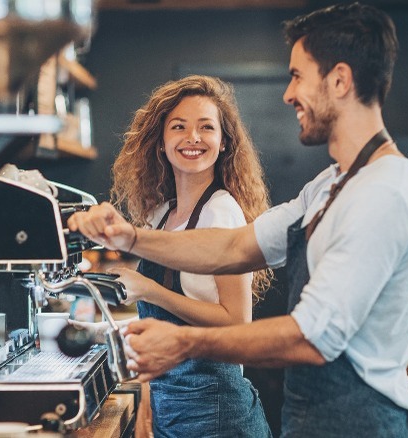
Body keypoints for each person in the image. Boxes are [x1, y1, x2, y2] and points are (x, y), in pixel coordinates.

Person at [68, 3, 408, 437]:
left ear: (339, 80)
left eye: (298, 76)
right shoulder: (329, 186)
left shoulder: (384, 191)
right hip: (313, 417)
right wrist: (129, 236)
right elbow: (233, 246)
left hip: (364, 423)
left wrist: (184, 342)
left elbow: (310, 338)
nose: (288, 94)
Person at [74, 75, 273, 437]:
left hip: (216, 412)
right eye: (178, 127)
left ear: (224, 142)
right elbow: (160, 326)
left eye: (206, 128)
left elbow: (236, 322)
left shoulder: (221, 211)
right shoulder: (162, 214)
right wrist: (147, 402)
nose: (193, 138)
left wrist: (149, 288)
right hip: (173, 412)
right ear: (161, 143)